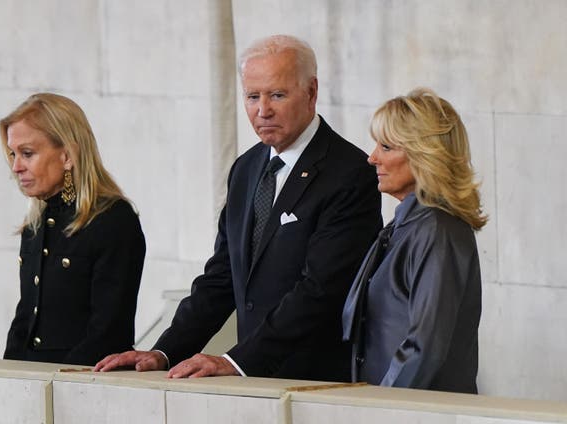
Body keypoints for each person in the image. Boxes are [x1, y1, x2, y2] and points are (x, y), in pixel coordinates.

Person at [95, 35, 382, 381]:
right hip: (253, 383)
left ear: (311, 92)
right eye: (252, 96)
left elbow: (320, 291)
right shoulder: (245, 169)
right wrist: (164, 352)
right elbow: (222, 277)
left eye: (277, 94)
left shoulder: (349, 173)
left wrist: (236, 362)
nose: (263, 110)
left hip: (318, 384)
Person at [342, 88, 488, 393]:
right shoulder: (409, 225)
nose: (372, 158)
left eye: (386, 146)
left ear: (424, 154)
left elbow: (424, 344)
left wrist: (379, 410)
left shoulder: (437, 230)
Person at [0, 93, 146, 366]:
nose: (16, 167)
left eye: (27, 153)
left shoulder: (113, 220)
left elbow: (108, 331)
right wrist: (8, 377)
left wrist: (58, 384)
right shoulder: (36, 225)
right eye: (13, 154)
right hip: (34, 383)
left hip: (84, 383)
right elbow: (25, 321)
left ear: (67, 156)